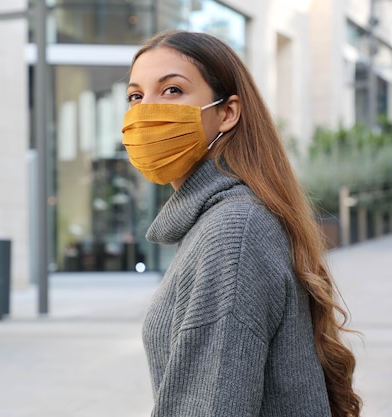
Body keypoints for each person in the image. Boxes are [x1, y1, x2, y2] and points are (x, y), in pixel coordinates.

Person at [121, 30, 361, 417]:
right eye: (135, 96)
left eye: (171, 91)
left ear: (227, 112)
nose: (146, 110)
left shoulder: (233, 231)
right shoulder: (218, 221)